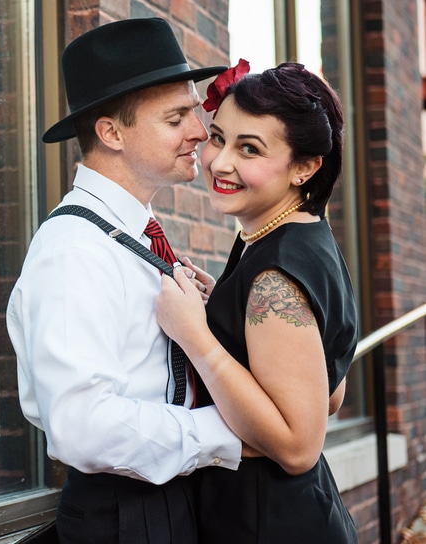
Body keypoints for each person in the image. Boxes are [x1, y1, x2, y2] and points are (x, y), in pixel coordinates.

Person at [6, 18, 243, 544]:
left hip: (166, 502)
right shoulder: (74, 251)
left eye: (195, 113)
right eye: (177, 117)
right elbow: (85, 427)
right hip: (126, 518)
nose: (200, 133)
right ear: (111, 133)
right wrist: (233, 433)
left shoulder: (130, 235)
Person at [156, 61, 359, 542]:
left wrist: (196, 335)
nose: (221, 162)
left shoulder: (272, 272)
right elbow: (328, 395)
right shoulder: (299, 237)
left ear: (305, 166)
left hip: (269, 525)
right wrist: (226, 306)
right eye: (219, 138)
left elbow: (297, 445)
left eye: (250, 149)